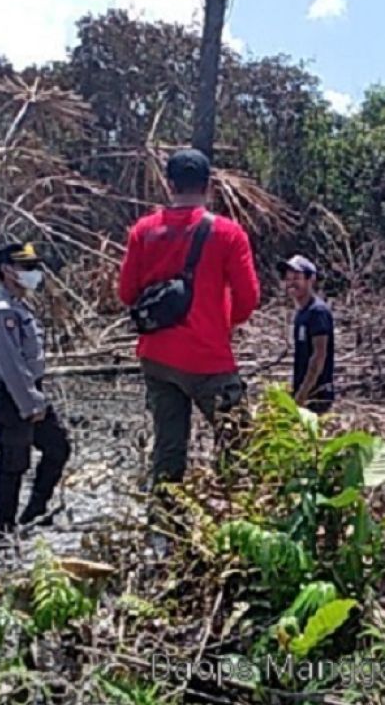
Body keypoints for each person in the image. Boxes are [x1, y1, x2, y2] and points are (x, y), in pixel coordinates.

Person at [117, 148, 260, 523]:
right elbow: (249, 297)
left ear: (169, 183)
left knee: (168, 447)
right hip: (207, 357)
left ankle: (163, 530)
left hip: (157, 358)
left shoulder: (143, 231)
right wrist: (222, 325)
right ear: (209, 185)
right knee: (240, 442)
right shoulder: (228, 233)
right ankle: (233, 523)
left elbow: (126, 294)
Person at [0, 242, 72, 539]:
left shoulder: (20, 306)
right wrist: (31, 404)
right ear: (7, 270)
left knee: (58, 447)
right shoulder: (1, 312)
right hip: (14, 395)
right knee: (14, 463)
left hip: (30, 391)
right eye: (26, 267)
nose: (33, 273)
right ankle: (5, 531)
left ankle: (34, 512)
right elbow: (10, 364)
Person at [278, 255, 335, 414]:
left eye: (297, 277)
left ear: (311, 280)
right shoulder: (301, 313)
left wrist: (302, 395)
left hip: (317, 395)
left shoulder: (318, 312)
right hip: (303, 393)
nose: (291, 283)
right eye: (288, 278)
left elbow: (318, 356)